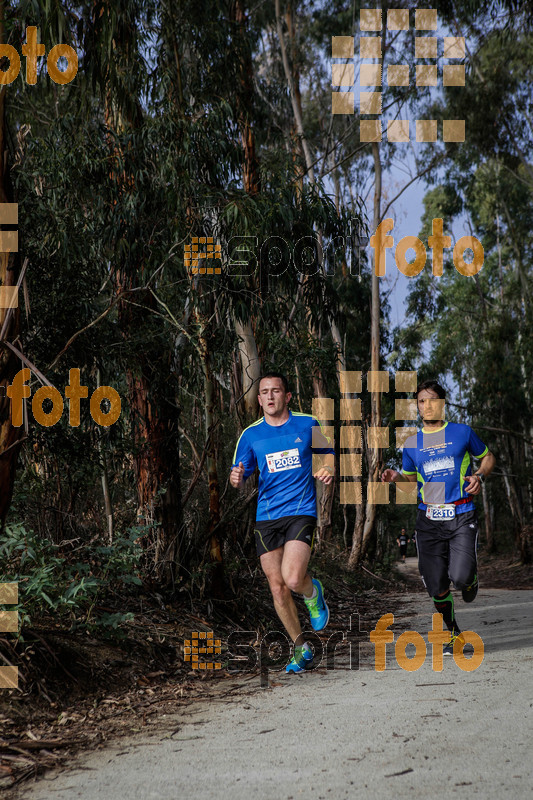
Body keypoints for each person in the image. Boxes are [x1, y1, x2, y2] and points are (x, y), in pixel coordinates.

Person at [381, 379, 496, 655]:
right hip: (428, 519)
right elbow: (411, 479)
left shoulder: (462, 433)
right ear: (417, 407)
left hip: (461, 513)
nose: (426, 405)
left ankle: (470, 580)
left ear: (442, 403)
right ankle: (453, 632)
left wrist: (479, 475)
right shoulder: (411, 444)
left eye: (432, 399)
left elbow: (488, 457)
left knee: (460, 574)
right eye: (421, 401)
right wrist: (397, 477)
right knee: (436, 583)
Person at [230, 373, 334, 674]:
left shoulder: (308, 423)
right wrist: (235, 478)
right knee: (277, 588)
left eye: (276, 390)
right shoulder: (250, 435)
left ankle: (313, 592)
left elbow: (327, 455)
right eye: (265, 392)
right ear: (259, 399)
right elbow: (240, 473)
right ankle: (302, 648)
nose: (271, 396)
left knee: (292, 579)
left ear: (287, 396)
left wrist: (326, 470)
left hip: (301, 511)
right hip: (267, 517)